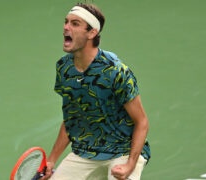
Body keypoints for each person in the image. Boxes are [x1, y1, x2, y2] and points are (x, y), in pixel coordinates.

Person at [42, 3, 151, 180]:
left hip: (122, 150)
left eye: (75, 24)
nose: (66, 27)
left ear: (92, 33)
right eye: (66, 22)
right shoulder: (64, 68)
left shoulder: (115, 71)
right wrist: (51, 161)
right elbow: (72, 119)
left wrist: (130, 164)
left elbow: (142, 121)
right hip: (85, 152)